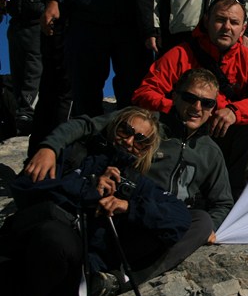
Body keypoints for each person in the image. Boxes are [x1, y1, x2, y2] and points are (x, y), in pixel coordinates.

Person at [2, 107, 210, 296]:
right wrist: (87, 188)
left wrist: (128, 207)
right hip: (29, 247)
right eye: (125, 130)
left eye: (140, 140)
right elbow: (25, 188)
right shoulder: (74, 154)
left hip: (75, 268)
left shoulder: (136, 184)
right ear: (113, 127)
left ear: (145, 150)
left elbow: (179, 218)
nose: (128, 141)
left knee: (58, 240)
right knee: (51, 233)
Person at [26, 68, 234, 233]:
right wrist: (49, 148)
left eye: (207, 103)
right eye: (190, 98)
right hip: (124, 208)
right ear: (175, 95)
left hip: (167, 218)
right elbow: (86, 126)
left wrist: (212, 227)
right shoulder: (147, 123)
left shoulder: (211, 152)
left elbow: (222, 202)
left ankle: (117, 278)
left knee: (201, 221)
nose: (197, 107)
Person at [133, 0, 248, 196]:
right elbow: (143, 94)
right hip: (183, 134)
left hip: (224, 133)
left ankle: (234, 197)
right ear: (207, 21)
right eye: (220, 20)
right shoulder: (180, 54)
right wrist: (184, 109)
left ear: (243, 28)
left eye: (234, 22)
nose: (227, 27)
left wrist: (234, 111)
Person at [6, 0, 47, 134]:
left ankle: (29, 112)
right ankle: (20, 112)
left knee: (34, 70)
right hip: (16, 26)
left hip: (36, 25)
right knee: (18, 72)